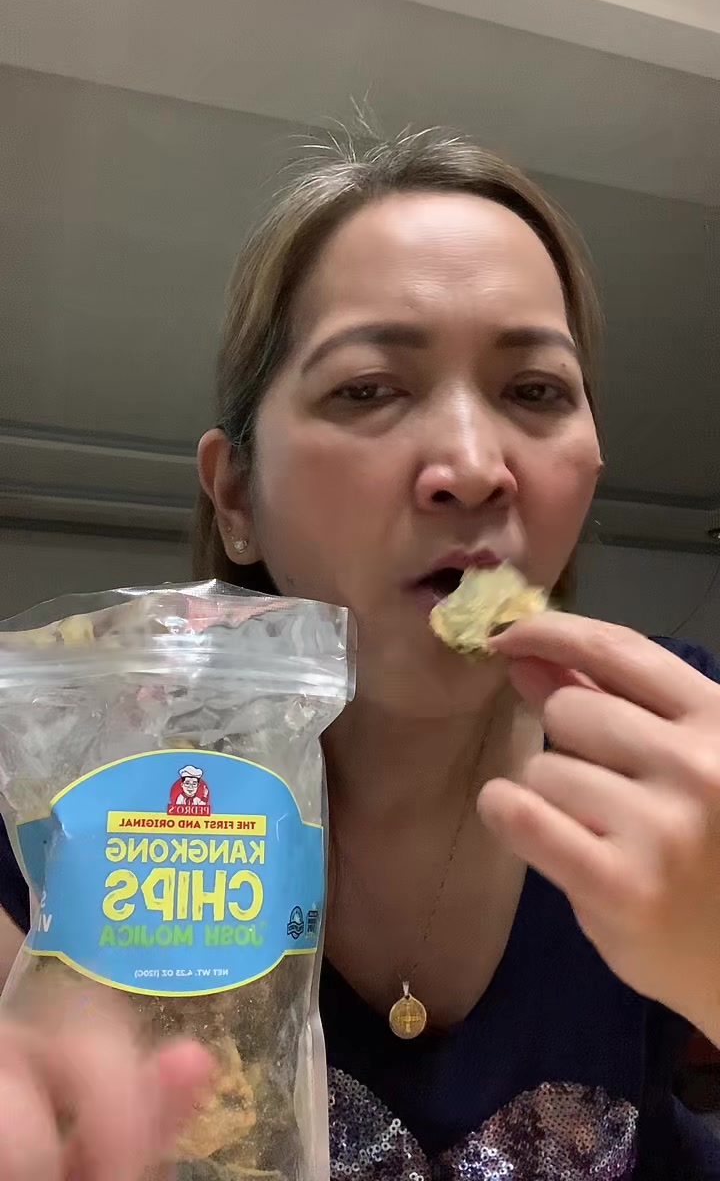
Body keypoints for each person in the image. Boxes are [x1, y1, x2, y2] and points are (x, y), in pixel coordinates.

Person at [1, 128, 719, 1180]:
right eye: (369, 388)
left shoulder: (686, 741)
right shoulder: (77, 794)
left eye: (535, 391)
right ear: (236, 495)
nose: (473, 467)